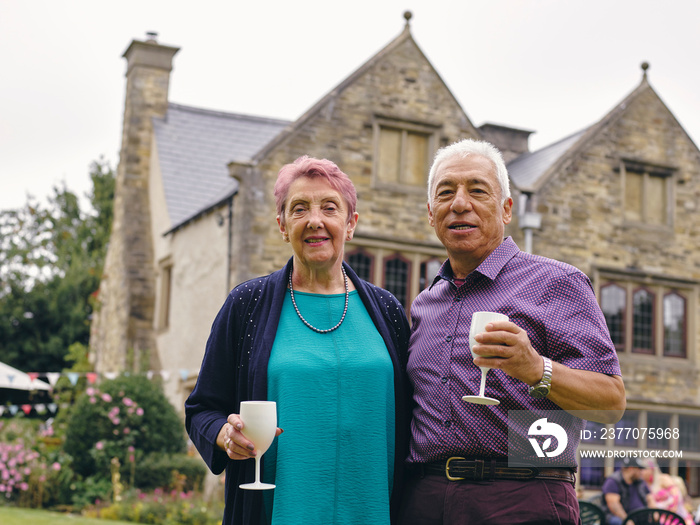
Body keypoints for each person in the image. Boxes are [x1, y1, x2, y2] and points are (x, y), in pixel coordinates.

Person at [397, 139, 626, 525]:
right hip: (425, 500)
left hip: (523, 495)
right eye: (446, 192)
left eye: (477, 190)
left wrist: (536, 368)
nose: (459, 203)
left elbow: (611, 404)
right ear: (430, 212)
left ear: (506, 209)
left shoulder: (557, 282)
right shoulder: (424, 305)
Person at [185, 156, 411, 525]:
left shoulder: (386, 310)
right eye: (300, 208)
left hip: (374, 512)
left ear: (350, 224)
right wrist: (224, 435)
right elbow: (201, 409)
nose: (315, 220)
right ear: (282, 224)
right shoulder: (246, 305)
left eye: (329, 207)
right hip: (280, 513)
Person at [601, 457, 654, 524]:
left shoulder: (640, 482)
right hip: (618, 517)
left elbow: (650, 499)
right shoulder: (613, 481)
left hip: (640, 516)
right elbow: (614, 505)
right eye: (639, 469)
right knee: (617, 522)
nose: (641, 472)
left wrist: (655, 513)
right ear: (631, 468)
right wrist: (627, 520)